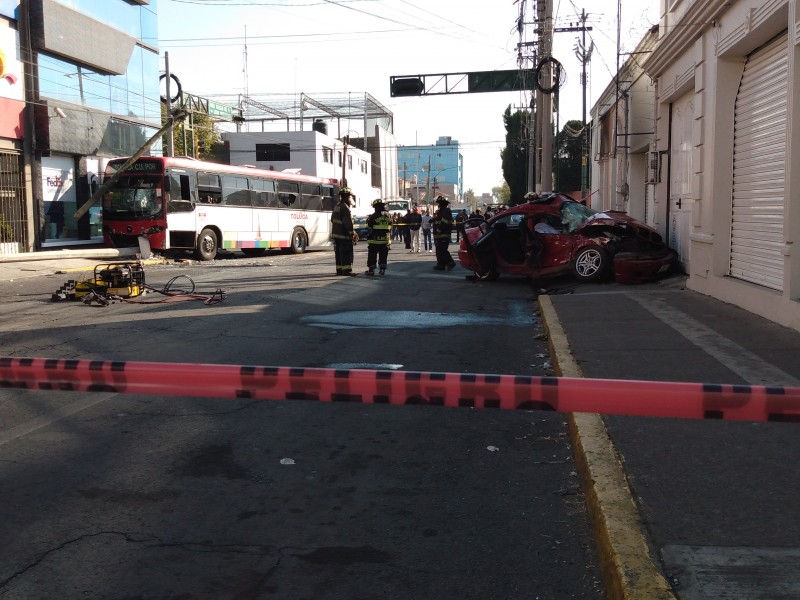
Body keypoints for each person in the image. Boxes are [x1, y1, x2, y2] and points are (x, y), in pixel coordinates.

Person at [330, 187, 358, 276]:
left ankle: (339, 270)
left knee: (338, 253)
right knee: (346, 252)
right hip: (344, 236)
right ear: (347, 197)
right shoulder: (345, 208)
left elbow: (332, 219)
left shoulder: (337, 206)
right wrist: (352, 234)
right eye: (350, 197)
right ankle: (347, 271)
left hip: (336, 235)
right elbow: (347, 223)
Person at [365, 198, 392, 276]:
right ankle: (382, 269)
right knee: (383, 255)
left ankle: (371, 269)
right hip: (385, 240)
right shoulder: (388, 216)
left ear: (375, 207)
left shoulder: (373, 216)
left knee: (372, 255)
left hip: (374, 240)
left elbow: (369, 227)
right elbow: (390, 226)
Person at [431, 195, 456, 271]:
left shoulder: (446, 211)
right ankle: (441, 265)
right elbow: (439, 220)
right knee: (439, 250)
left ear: (443, 204)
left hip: (443, 234)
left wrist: (439, 230)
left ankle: (451, 262)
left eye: (439, 203)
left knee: (442, 250)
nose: (438, 205)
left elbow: (444, 222)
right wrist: (433, 220)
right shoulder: (440, 211)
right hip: (438, 235)